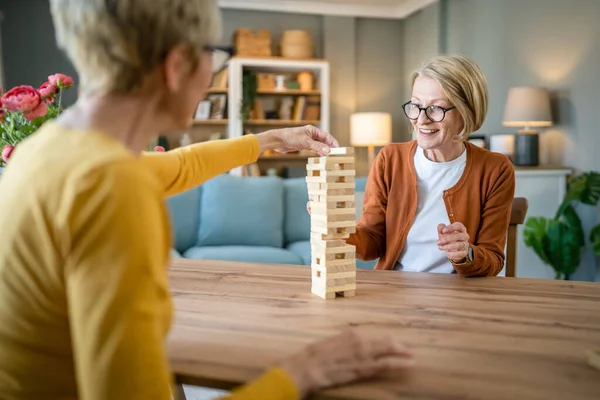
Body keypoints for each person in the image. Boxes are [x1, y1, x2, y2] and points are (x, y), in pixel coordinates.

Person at [0, 1, 414, 399]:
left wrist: (271, 139)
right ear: (177, 65)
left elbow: (180, 167)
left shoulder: (51, 152)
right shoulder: (111, 189)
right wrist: (299, 375)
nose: (212, 72)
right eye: (213, 55)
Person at [310, 55, 515, 277]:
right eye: (416, 106)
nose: (421, 120)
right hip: (395, 292)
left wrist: (466, 254)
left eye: (436, 108)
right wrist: (337, 229)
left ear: (466, 113)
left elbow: (493, 260)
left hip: (458, 297)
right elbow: (373, 241)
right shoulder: (390, 159)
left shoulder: (496, 169)